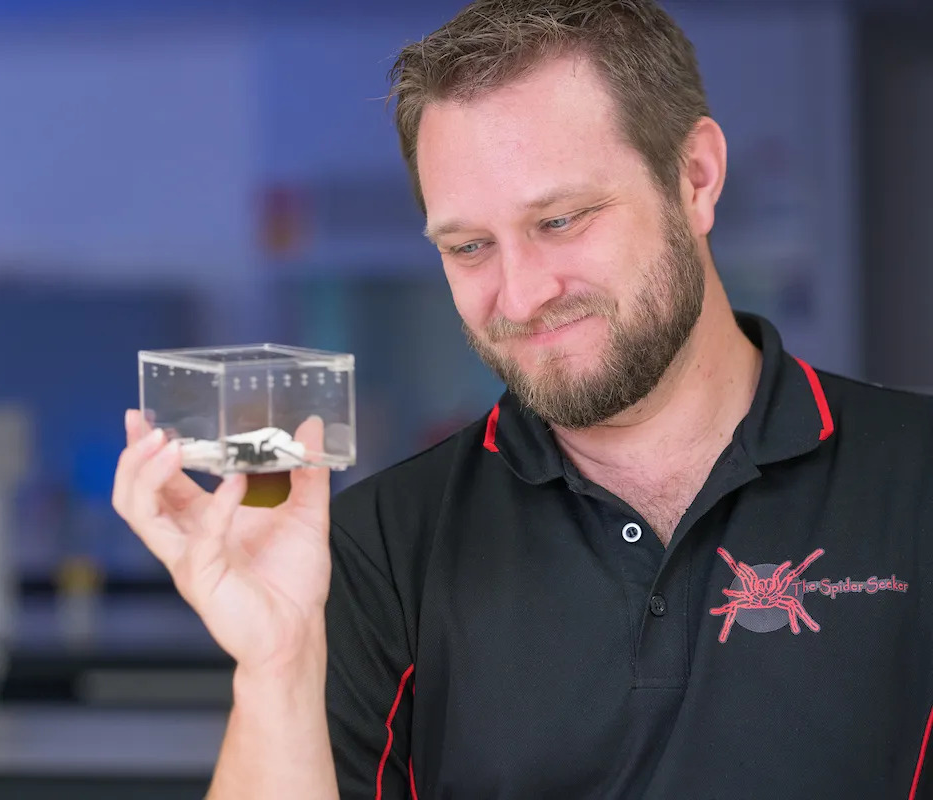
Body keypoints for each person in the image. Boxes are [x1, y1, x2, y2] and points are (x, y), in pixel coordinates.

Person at [112, 1, 933, 797]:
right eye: (469, 247)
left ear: (696, 177)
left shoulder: (915, 482)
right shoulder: (379, 552)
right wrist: (279, 666)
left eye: (562, 221)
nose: (522, 293)